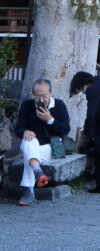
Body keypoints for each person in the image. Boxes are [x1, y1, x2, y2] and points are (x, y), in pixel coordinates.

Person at [12, 78, 71, 206]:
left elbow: (65, 129)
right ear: (33, 95)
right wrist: (25, 132)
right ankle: (37, 171)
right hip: (32, 146)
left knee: (28, 154)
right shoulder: (27, 106)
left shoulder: (59, 105)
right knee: (29, 141)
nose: (41, 100)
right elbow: (18, 128)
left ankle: (29, 191)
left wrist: (50, 120)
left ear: (51, 93)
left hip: (51, 147)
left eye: (44, 96)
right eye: (38, 96)